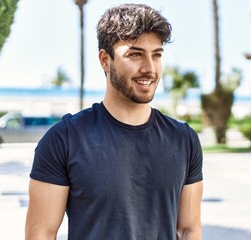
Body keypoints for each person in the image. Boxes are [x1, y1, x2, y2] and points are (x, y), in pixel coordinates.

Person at [25, 3, 203, 240]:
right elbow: (42, 233)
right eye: (135, 54)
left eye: (156, 55)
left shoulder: (184, 139)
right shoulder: (64, 140)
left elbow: (188, 229)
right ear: (104, 60)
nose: (150, 68)